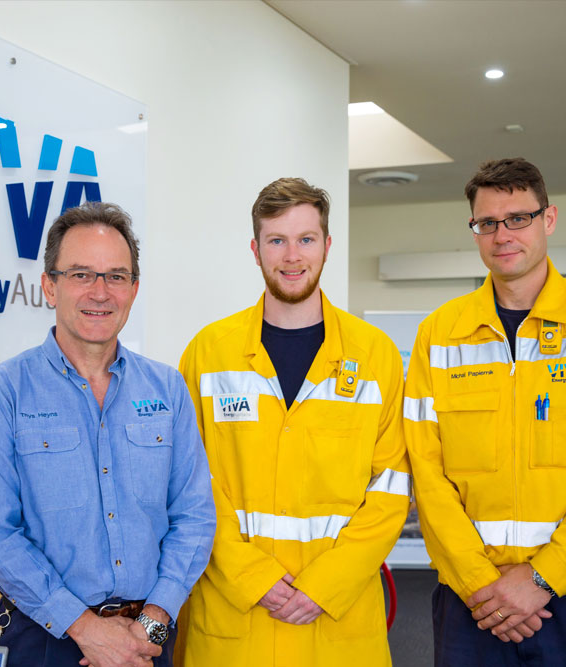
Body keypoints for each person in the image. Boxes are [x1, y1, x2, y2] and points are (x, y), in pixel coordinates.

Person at [404, 158, 566, 666]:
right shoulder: (439, 334)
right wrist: (482, 583)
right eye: (487, 223)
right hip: (473, 600)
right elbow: (426, 472)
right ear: (475, 231)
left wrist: (544, 578)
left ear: (549, 219)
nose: (503, 234)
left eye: (518, 218)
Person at [0, 202, 216, 667]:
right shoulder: (0, 393)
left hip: (147, 641)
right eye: (81, 274)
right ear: (49, 286)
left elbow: (194, 517)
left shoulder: (168, 389)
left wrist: (152, 624)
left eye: (116, 276)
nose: (100, 292)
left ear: (134, 290)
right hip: (45, 639)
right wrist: (87, 630)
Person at [177, 178, 412, 666]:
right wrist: (252, 578)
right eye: (276, 240)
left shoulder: (375, 356)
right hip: (234, 621)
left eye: (306, 239)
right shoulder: (209, 354)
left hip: (335, 623)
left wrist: (327, 585)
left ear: (327, 245)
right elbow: (186, 483)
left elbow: (391, 487)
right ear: (255, 249)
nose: (291, 255)